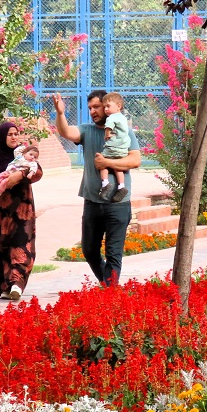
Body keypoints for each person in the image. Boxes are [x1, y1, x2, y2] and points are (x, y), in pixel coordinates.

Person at [53, 90, 142, 286]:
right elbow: (67, 132)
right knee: (89, 250)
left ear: (108, 106)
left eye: (97, 107)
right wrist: (60, 114)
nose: (93, 111)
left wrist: (107, 163)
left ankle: (110, 293)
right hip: (92, 202)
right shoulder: (87, 130)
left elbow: (135, 160)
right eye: (90, 108)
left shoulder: (124, 131)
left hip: (118, 204)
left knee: (113, 254)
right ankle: (109, 286)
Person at [0, 121, 43, 301]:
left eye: (16, 134)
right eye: (10, 134)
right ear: (2, 137)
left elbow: (37, 172)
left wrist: (19, 175)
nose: (14, 137)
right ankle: (5, 286)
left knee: (22, 244)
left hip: (23, 210)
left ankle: (17, 284)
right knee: (2, 246)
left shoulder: (23, 154)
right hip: (0, 212)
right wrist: (1, 185)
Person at [98, 95, 131, 201]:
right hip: (122, 148)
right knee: (117, 167)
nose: (106, 109)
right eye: (104, 107)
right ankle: (121, 186)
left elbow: (108, 126)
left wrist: (107, 133)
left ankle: (105, 183)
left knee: (102, 163)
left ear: (118, 106)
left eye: (108, 106)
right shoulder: (123, 118)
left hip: (112, 147)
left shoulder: (112, 117)